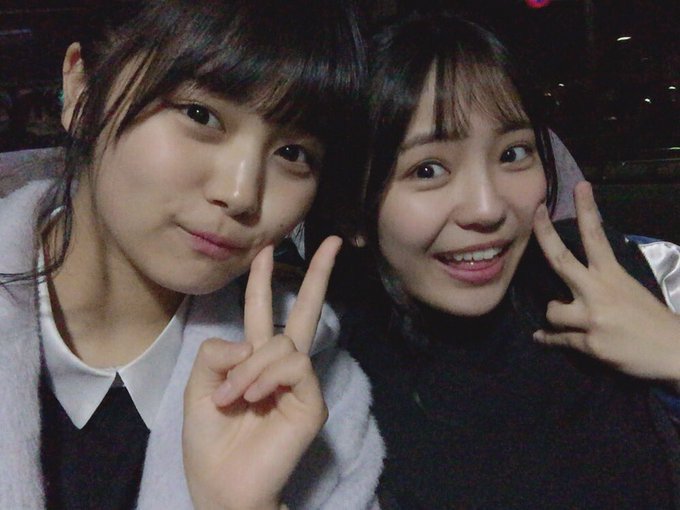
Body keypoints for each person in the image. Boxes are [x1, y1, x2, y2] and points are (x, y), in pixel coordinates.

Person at [0, 1, 383, 509]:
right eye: (200, 115)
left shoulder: (315, 396)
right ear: (82, 91)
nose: (241, 193)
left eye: (292, 153)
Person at [342, 10, 680, 509]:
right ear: (353, 209)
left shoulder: (599, 274)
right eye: (428, 169)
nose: (488, 209)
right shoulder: (325, 372)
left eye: (513, 154)